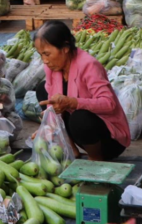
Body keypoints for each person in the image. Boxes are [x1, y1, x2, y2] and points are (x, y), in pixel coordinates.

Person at [33, 21, 130, 161]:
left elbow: (109, 103)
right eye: (41, 54)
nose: (44, 60)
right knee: (42, 90)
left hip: (107, 139)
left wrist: (72, 102)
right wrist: (47, 126)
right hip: (77, 132)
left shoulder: (89, 65)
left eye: (47, 54)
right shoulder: (51, 67)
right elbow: (52, 105)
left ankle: (95, 159)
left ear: (65, 48)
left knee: (80, 117)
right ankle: (70, 148)